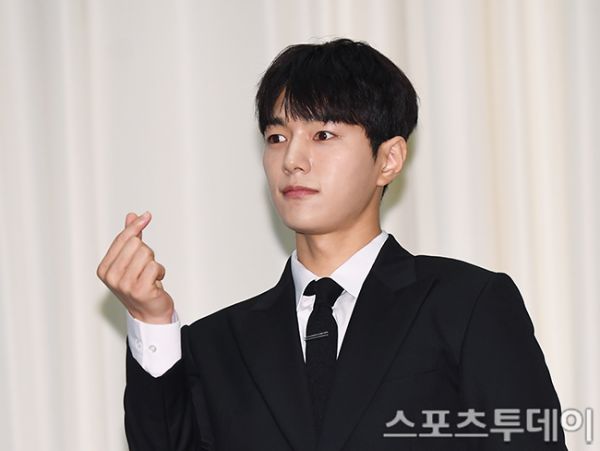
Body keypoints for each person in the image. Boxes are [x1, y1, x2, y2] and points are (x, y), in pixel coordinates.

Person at [97, 38, 567, 450]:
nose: (292, 159)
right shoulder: (218, 344)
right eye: (276, 137)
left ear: (389, 159)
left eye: (323, 134)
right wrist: (151, 321)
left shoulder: (467, 304)